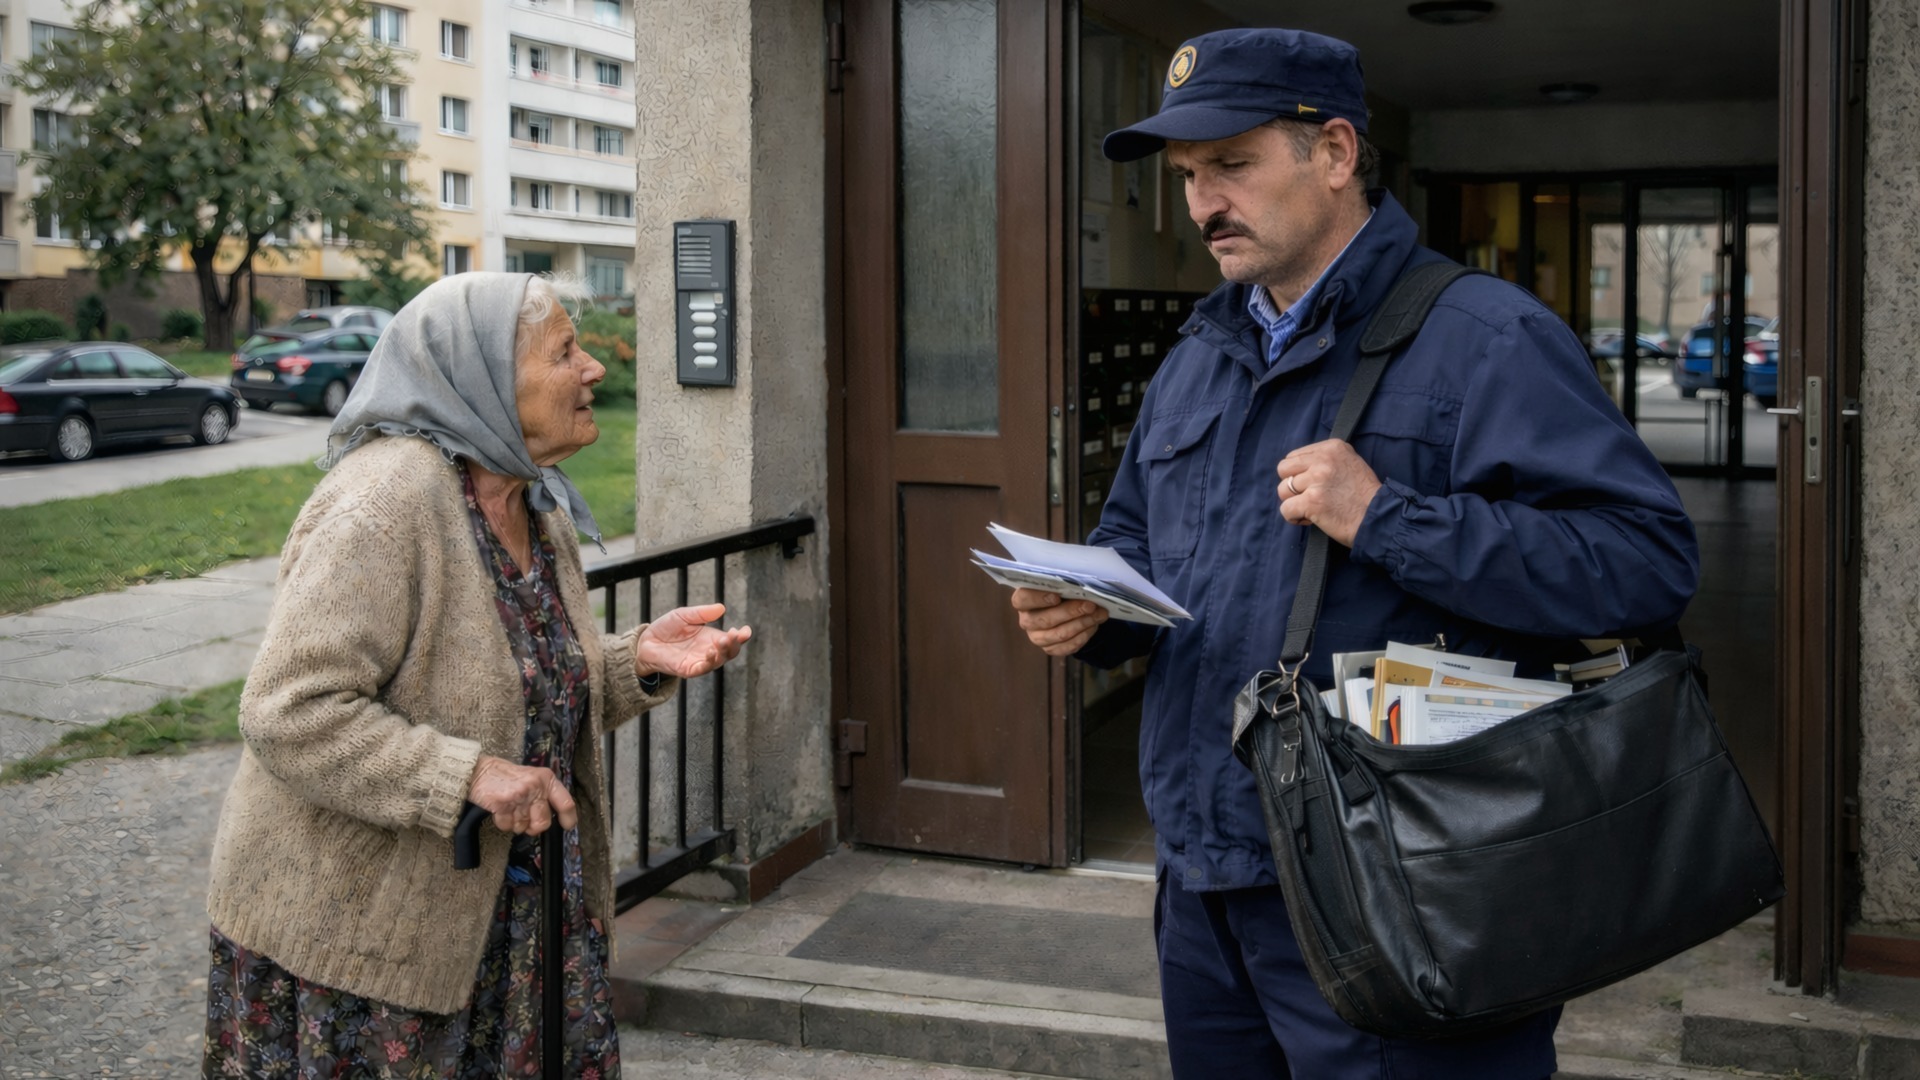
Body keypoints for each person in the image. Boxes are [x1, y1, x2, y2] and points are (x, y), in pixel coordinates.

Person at [1009, 27, 1700, 1080]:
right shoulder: (1199, 356)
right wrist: (1093, 613)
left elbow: (1643, 562)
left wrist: (1387, 517)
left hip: (1407, 886)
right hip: (1207, 881)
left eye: (1232, 164)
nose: (1202, 203)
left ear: (1334, 152)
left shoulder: (1485, 337)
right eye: (1189, 175)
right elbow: (1138, 541)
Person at [202, 272, 752, 1076]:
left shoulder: (532, 503)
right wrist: (470, 777)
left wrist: (633, 658)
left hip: (516, 926)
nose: (594, 368)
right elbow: (288, 710)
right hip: (365, 946)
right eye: (566, 351)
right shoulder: (384, 506)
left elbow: (514, 683)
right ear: (487, 376)